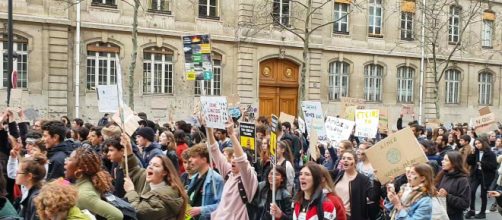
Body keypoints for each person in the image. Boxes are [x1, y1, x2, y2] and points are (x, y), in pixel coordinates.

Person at [207, 119, 258, 220]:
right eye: (233, 157)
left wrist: (231, 134)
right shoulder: (229, 173)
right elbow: (214, 151)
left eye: (236, 158)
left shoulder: (248, 180)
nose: (234, 160)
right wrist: (208, 129)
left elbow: (242, 160)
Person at [64, 147, 123, 220]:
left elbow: (117, 216)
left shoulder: (84, 195)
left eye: (69, 159)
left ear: (80, 169)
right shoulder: (83, 181)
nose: (65, 162)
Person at [123, 154, 188, 220]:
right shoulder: (149, 186)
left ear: (164, 172)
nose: (150, 167)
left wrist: (130, 191)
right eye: (149, 164)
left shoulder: (165, 195)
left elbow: (138, 212)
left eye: (156, 165)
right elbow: (132, 169)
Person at [332, 150, 378, 220]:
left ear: (355, 162)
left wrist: (376, 181)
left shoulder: (363, 179)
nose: (345, 160)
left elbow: (373, 197)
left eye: (349, 159)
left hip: (348, 216)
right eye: (343, 158)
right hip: (334, 214)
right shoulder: (340, 174)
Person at [186, 144, 224, 220]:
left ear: (204, 159)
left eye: (194, 157)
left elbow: (222, 206)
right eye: (190, 157)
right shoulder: (195, 177)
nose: (190, 160)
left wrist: (201, 210)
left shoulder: (216, 179)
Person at [465, 138, 498, 219]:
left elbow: (493, 166)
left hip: (486, 176)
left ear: (483, 143)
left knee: (483, 194)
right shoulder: (476, 152)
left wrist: (482, 164)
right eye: (476, 144)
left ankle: (482, 212)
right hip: (476, 174)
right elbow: (470, 162)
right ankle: (472, 210)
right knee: (472, 191)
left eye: (479, 143)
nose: (477, 145)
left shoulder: (490, 153)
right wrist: (472, 154)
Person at [435, 151, 470, 220]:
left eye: (446, 160)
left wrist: (447, 196)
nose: (442, 161)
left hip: (453, 216)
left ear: (454, 163)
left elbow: (465, 204)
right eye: (443, 159)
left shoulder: (462, 180)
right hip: (440, 214)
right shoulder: (442, 174)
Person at [15, 153, 47, 220]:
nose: (16, 175)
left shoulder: (35, 199)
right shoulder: (31, 192)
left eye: (18, 173)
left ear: (29, 176)